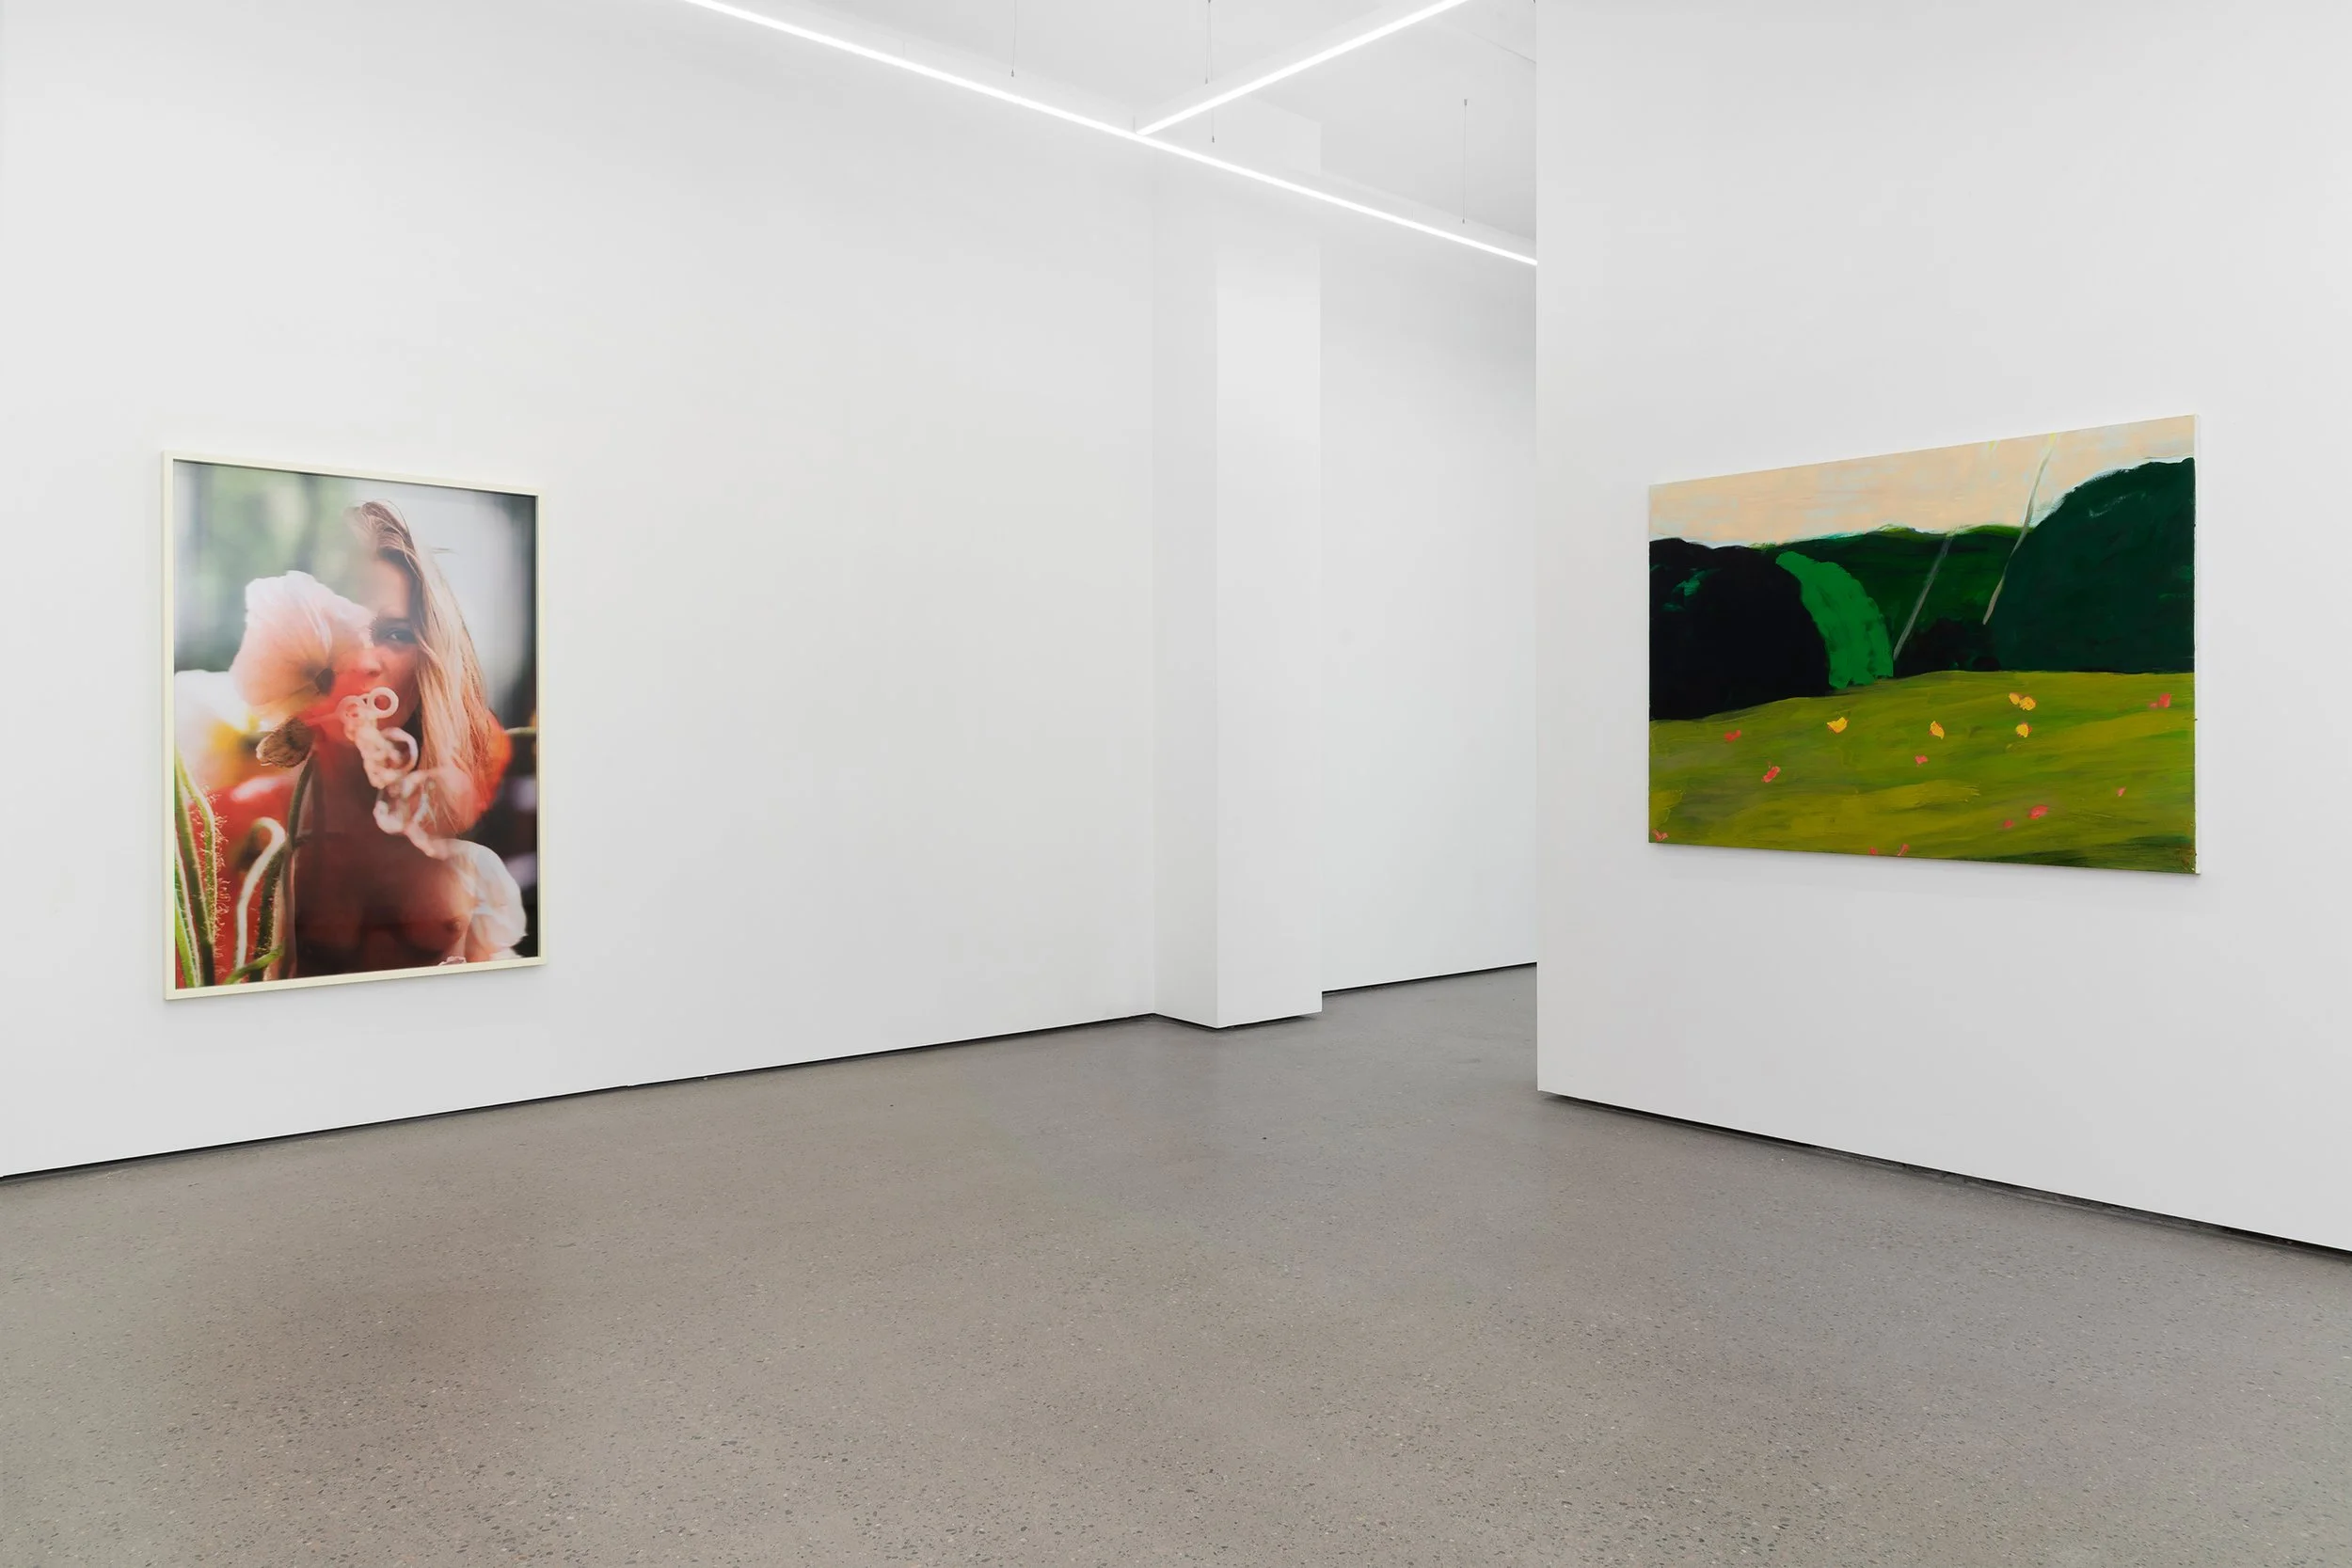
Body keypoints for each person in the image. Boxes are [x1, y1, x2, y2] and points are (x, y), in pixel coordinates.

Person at [210, 502, 525, 978]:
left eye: (394, 633)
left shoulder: (472, 830)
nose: (364, 659)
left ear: (429, 659)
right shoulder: (240, 831)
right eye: (342, 627)